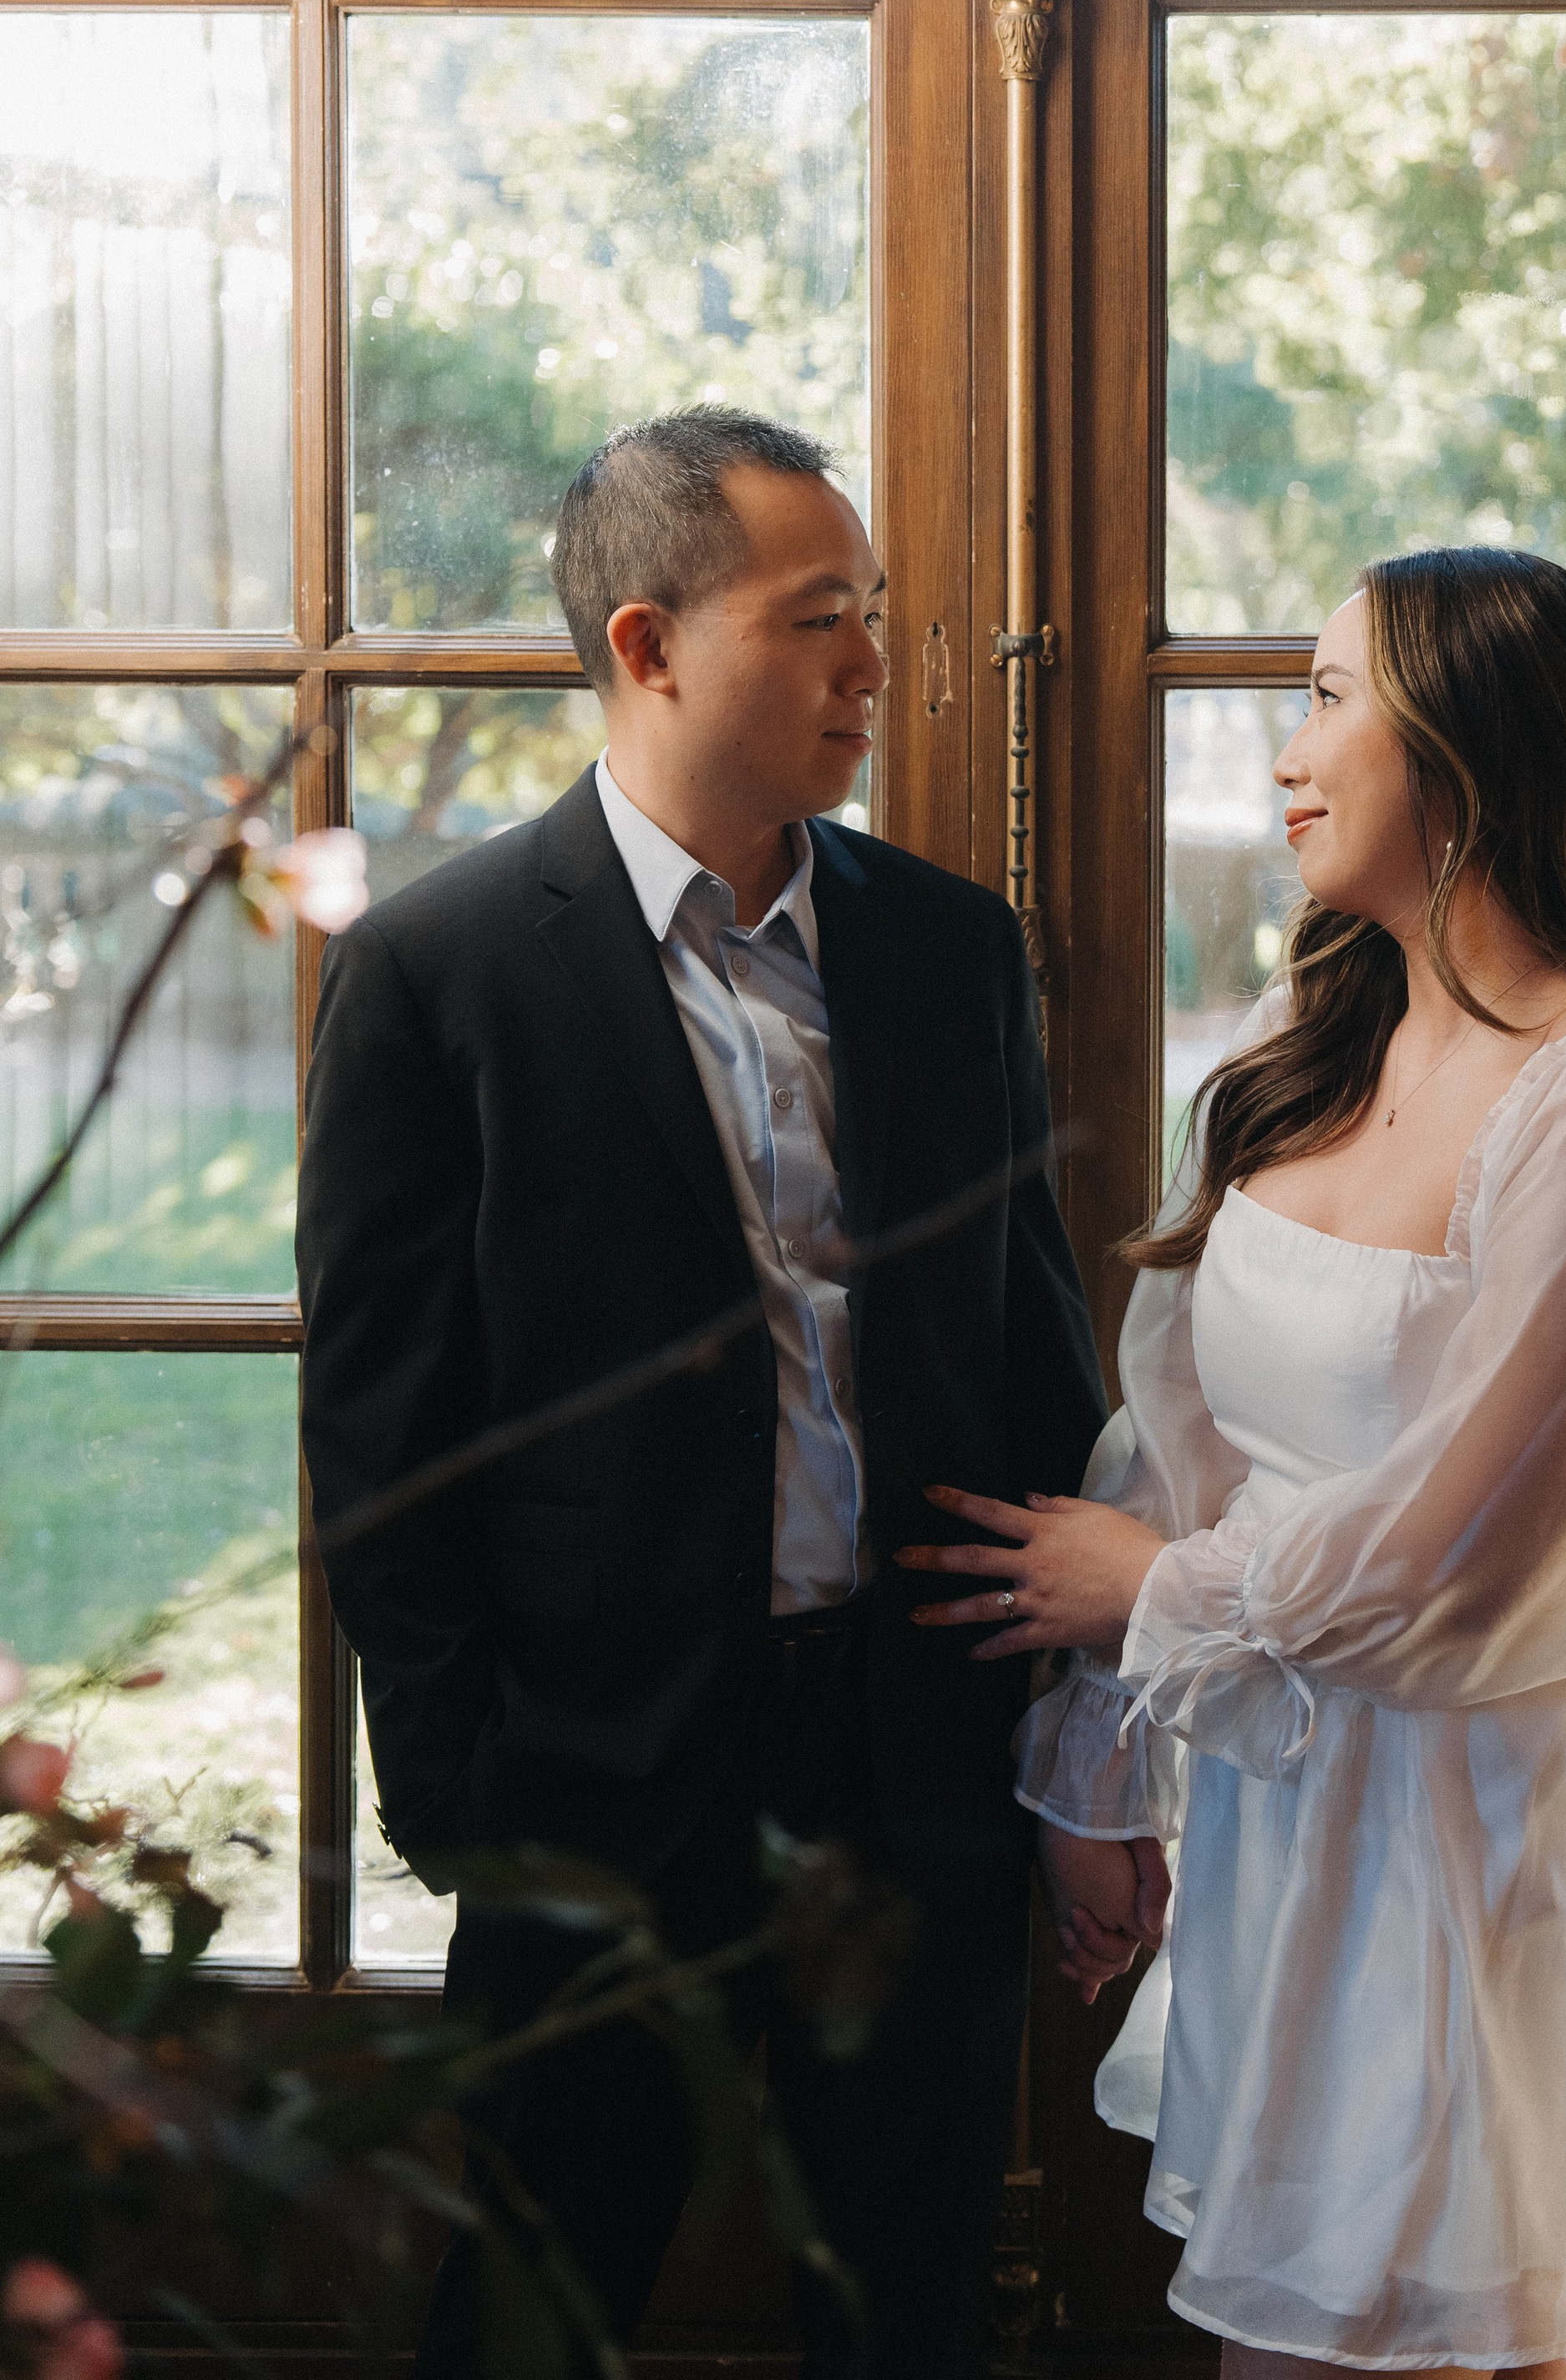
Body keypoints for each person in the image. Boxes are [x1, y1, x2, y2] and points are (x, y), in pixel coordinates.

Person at [297, 405, 1108, 2380]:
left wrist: (1074, 1740)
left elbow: (1026, 1352)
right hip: (590, 1779)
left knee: (900, 2311)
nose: (873, 668)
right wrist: (463, 1800)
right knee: (529, 2306)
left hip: (911, 1752)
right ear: (648, 645)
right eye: (821, 620)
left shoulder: (946, 950)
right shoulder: (438, 972)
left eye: (879, 618)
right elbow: (381, 1431)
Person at [901, 546, 1566, 2379]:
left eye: (1322, 696)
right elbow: (1180, 1435)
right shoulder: (1309, 1049)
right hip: (1294, 1809)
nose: (1279, 752)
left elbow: (1487, 1543)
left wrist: (1147, 1598)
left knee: (1436, 2332)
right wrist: (1095, 1778)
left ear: (1463, 744)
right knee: (1285, 2341)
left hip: (1489, 1813)